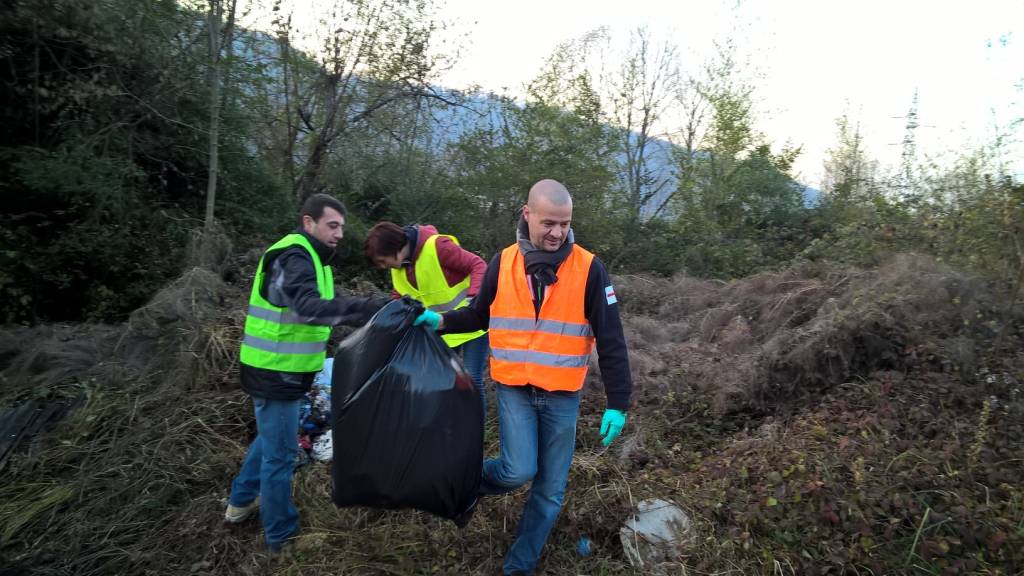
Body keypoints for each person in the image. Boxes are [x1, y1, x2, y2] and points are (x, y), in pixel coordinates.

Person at [416, 179, 632, 576]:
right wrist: (442, 320)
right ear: (527, 214)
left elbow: (611, 337)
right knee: (518, 471)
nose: (557, 233)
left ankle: (519, 566)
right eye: (549, 223)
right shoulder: (504, 262)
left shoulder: (589, 268)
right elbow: (480, 314)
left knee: (550, 492)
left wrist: (618, 402)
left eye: (564, 225)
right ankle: (462, 484)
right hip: (514, 388)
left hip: (562, 396)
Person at [224, 194, 387, 554]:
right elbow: (308, 307)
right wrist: (366, 309)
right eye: (332, 225)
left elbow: (320, 301)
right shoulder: (294, 255)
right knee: (280, 455)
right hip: (275, 372)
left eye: (342, 227)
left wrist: (368, 309)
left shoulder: (314, 259)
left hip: (286, 371)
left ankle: (240, 503)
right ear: (308, 222)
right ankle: (282, 537)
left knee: (271, 440)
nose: (339, 234)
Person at [364, 221, 490, 415]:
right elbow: (400, 296)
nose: (383, 266)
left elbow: (478, 265)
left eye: (382, 260)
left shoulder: (437, 247)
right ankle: (457, 430)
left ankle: (476, 436)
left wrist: (473, 301)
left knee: (472, 379)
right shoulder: (398, 268)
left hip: (472, 324)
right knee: (449, 382)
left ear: (393, 249)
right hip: (445, 330)